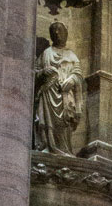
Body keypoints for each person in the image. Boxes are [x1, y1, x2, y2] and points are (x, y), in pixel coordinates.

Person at [33, 20, 83, 154]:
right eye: (54, 30)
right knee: (47, 122)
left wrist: (72, 80)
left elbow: (78, 75)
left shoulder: (71, 56)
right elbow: (34, 73)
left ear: (66, 33)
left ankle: (64, 149)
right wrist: (43, 72)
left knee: (63, 123)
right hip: (48, 93)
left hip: (64, 95)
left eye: (60, 30)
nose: (57, 32)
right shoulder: (45, 53)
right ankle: (47, 145)